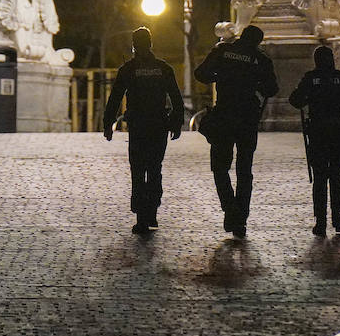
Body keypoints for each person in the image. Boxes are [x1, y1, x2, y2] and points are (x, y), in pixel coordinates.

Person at [194, 24, 278, 238]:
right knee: (244, 169)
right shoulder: (260, 59)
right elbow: (272, 89)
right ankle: (240, 219)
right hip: (247, 118)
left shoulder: (223, 51)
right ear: (257, 42)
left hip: (224, 115)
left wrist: (221, 75)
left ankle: (229, 209)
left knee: (219, 167)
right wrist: (254, 82)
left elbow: (201, 74)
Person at [104, 27, 184, 235]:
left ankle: (141, 217)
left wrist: (108, 124)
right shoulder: (163, 68)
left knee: (138, 171)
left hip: (138, 126)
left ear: (133, 45)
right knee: (155, 168)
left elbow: (115, 98)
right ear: (150, 44)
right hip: (159, 125)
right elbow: (176, 98)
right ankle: (152, 211)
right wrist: (176, 123)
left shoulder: (128, 69)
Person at [289, 45, 340, 235]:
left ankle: (320, 221)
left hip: (318, 131)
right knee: (337, 175)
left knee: (320, 177)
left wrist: (307, 95)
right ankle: (338, 219)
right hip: (339, 131)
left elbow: (295, 100)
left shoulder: (310, 79)